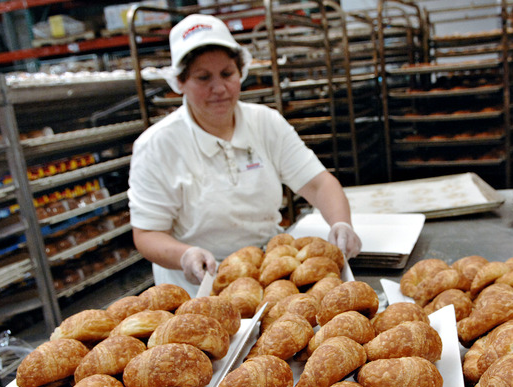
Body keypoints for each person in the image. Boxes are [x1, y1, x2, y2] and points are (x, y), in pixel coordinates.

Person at [128, 14, 362, 294]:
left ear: (241, 72)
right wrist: (185, 255)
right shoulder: (157, 146)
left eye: (227, 74)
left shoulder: (265, 123)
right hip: (198, 290)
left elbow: (318, 183)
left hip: (271, 278)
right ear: (180, 82)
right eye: (203, 78)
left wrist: (340, 223)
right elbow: (146, 233)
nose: (219, 88)